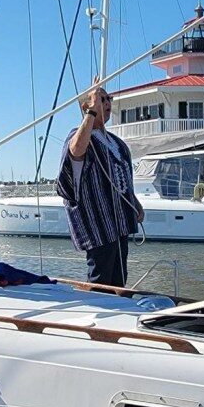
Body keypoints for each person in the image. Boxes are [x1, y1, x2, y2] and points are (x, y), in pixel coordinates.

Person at [56, 84, 144, 287]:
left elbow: (121, 178)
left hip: (119, 223)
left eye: (108, 99)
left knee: (119, 277)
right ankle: (97, 311)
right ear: (87, 106)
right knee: (100, 277)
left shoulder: (115, 142)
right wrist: (91, 112)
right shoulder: (77, 136)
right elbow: (76, 152)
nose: (107, 104)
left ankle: (117, 311)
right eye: (101, 100)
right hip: (99, 224)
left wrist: (135, 203)